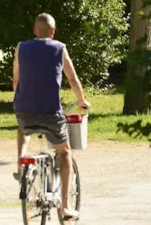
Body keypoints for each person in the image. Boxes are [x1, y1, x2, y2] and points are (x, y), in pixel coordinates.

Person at [13, 13, 90, 222]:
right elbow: (73, 80)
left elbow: (16, 81)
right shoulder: (60, 48)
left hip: (24, 109)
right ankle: (64, 207)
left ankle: (21, 165)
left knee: (22, 129)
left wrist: (21, 99)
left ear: (34, 30)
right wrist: (82, 100)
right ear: (53, 31)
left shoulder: (21, 47)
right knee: (64, 153)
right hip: (50, 113)